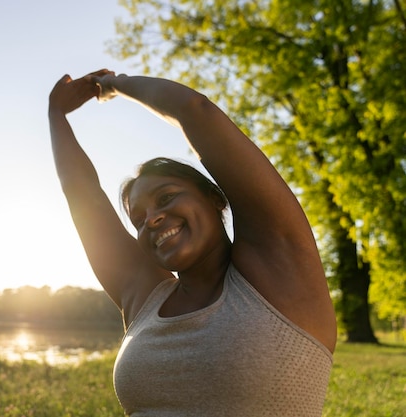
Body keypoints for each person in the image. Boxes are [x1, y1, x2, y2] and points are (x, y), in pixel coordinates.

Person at [48, 69, 336, 416]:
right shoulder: (145, 298)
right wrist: (56, 116)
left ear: (216, 198)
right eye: (139, 219)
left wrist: (114, 84)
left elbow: (195, 110)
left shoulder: (278, 271)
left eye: (166, 197)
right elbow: (82, 195)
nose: (151, 218)